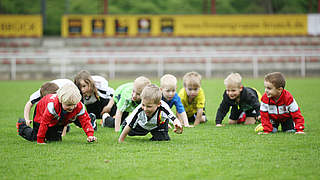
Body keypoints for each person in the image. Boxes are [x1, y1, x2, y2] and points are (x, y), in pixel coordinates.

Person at [16, 83, 97, 144]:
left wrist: (90, 135)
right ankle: (21, 125)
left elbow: (85, 121)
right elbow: (44, 123)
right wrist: (40, 140)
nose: (71, 107)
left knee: (55, 140)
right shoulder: (52, 106)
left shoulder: (79, 106)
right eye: (68, 105)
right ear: (61, 101)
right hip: (40, 115)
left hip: (56, 120)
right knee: (35, 137)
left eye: (74, 105)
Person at [118, 84, 183, 143]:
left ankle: (159, 132)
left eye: (149, 106)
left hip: (156, 126)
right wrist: (121, 140)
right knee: (127, 130)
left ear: (158, 104)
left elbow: (173, 118)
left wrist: (178, 125)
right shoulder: (139, 110)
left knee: (163, 139)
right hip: (141, 125)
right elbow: (130, 125)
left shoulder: (164, 107)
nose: (145, 108)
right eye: (143, 104)